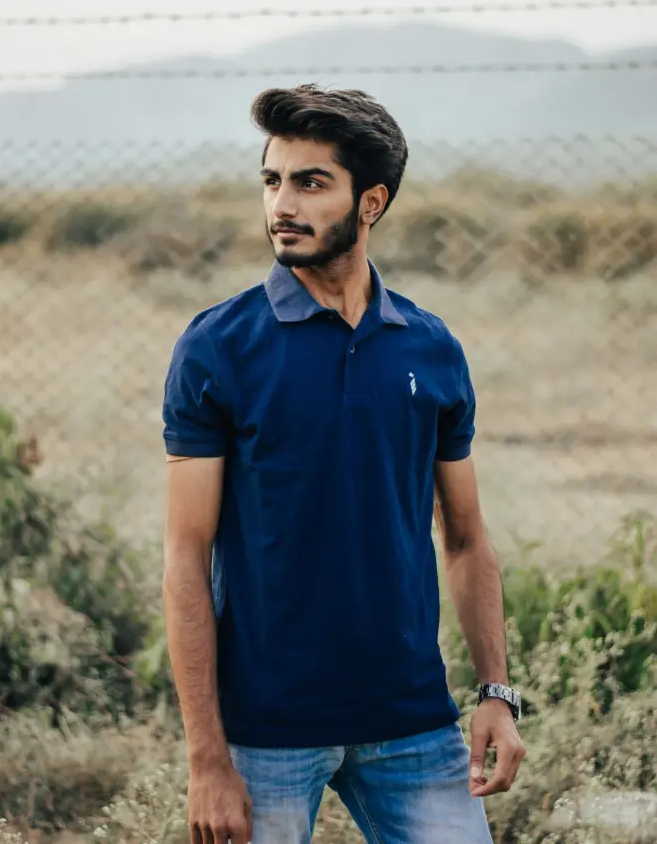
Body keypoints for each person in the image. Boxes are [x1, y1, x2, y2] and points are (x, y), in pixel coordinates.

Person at [162, 85, 525, 844]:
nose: (282, 205)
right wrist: (207, 757)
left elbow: (465, 539)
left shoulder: (430, 346)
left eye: (310, 182)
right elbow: (186, 555)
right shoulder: (218, 347)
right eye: (272, 180)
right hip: (264, 732)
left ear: (371, 202)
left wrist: (496, 690)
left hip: (413, 723)